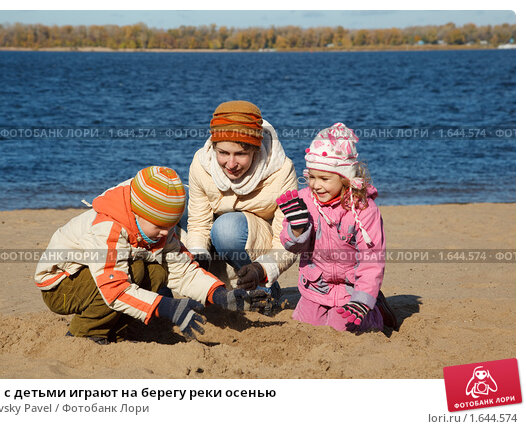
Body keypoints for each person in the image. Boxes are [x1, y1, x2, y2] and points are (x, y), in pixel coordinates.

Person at [35, 166, 262, 345]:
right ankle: (84, 334)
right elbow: (115, 290)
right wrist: (168, 307)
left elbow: (183, 270)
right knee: (136, 271)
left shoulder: (157, 229)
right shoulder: (108, 228)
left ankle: (120, 329)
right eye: (160, 226)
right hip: (61, 285)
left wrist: (220, 294)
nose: (167, 232)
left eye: (171, 225)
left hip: (97, 279)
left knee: (156, 271)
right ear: (138, 214)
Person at [276, 122, 398, 332]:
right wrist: (297, 228)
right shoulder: (304, 201)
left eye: (324, 178)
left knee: (342, 326)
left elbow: (372, 259)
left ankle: (375, 307)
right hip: (316, 286)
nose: (315, 185)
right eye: (311, 177)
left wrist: (362, 298)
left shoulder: (363, 208)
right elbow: (292, 247)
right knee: (304, 326)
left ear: (345, 178)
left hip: (351, 288)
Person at [182, 100, 298, 303]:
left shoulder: (282, 170)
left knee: (227, 228)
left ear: (256, 148)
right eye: (223, 153)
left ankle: (262, 286)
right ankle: (205, 283)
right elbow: (199, 222)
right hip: (216, 240)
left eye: (241, 154)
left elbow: (287, 240)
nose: (231, 163)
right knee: (170, 201)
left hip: (254, 242)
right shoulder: (201, 164)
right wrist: (198, 254)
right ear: (213, 146)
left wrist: (262, 269)